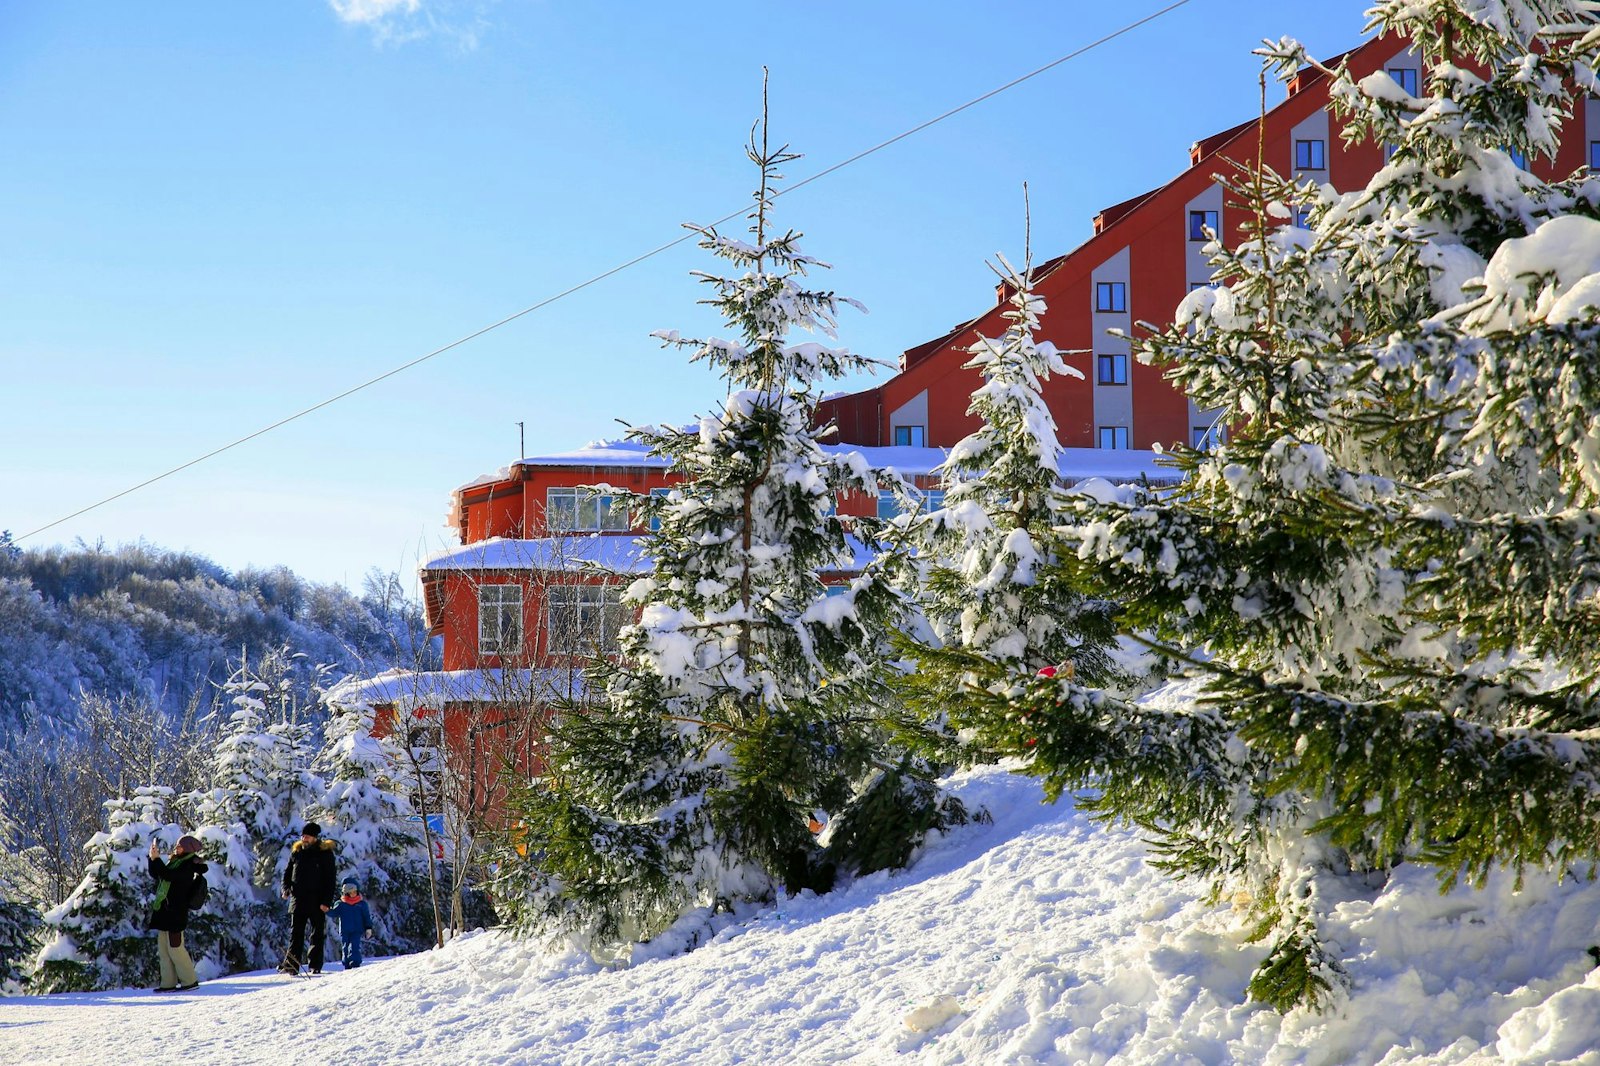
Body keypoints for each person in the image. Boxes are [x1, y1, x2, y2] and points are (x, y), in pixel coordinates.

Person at [147, 834, 207, 992]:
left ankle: (189, 980)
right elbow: (158, 875)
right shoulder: (175, 862)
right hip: (165, 912)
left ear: (187, 848)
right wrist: (152, 859)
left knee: (175, 948)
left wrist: (157, 860)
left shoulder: (187, 866)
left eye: (180, 846)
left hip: (176, 913)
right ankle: (168, 983)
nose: (176, 848)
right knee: (164, 950)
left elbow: (168, 876)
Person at [279, 821, 337, 975]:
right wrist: (285, 889)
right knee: (295, 934)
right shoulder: (297, 853)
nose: (304, 839)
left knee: (317, 934)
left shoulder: (325, 854)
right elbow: (287, 875)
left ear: (315, 838)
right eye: (303, 836)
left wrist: (326, 901)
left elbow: (330, 880)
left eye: (308, 836)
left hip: (317, 901)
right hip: (298, 900)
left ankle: (315, 965)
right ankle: (291, 965)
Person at [327, 880, 375, 969]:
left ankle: (355, 962)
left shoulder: (361, 904)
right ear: (346, 893)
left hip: (357, 930)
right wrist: (327, 910)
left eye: (354, 892)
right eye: (351, 893)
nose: (353, 894)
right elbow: (334, 913)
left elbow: (366, 917)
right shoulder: (341, 904)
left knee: (354, 946)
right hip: (345, 930)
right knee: (345, 947)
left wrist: (368, 928)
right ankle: (346, 963)